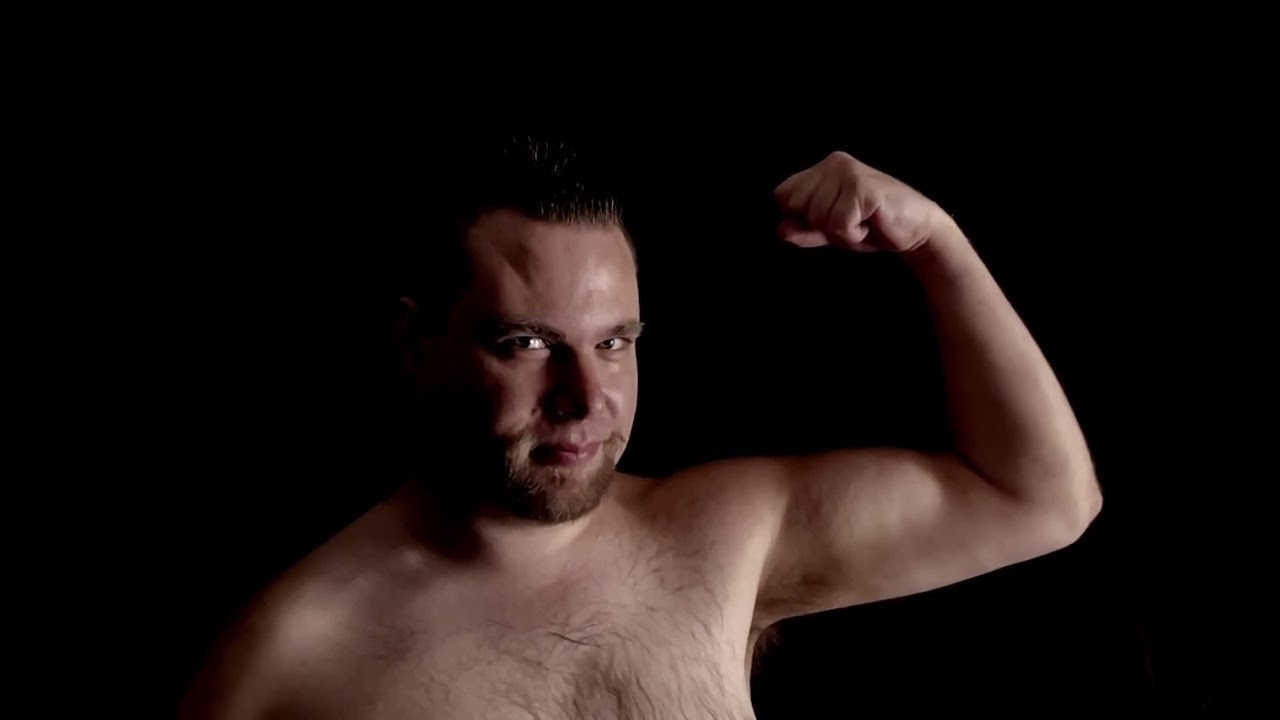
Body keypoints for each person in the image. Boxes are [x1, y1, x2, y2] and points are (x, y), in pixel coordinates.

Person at [181, 136, 1102, 719]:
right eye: (528, 343)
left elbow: (1043, 499)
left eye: (614, 343)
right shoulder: (284, 670)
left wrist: (935, 243)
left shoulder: (723, 539)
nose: (585, 396)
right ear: (416, 343)